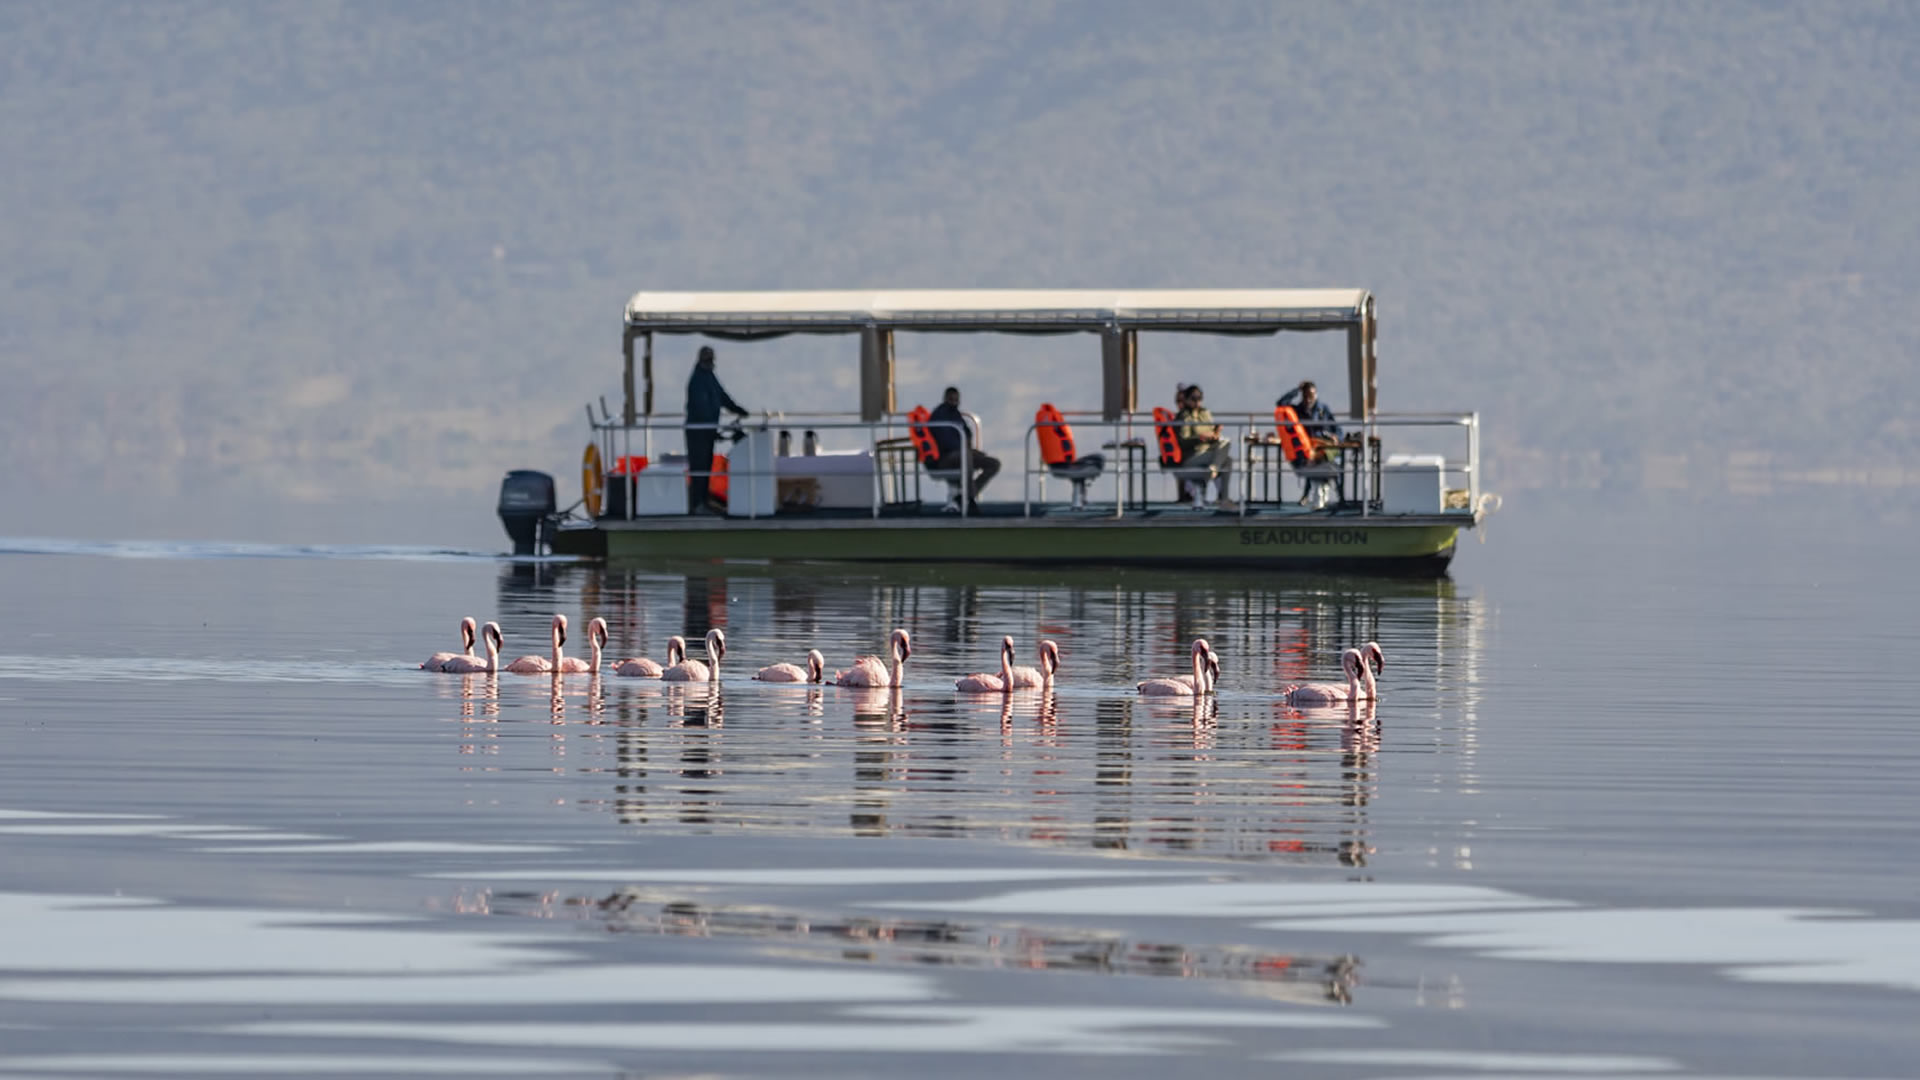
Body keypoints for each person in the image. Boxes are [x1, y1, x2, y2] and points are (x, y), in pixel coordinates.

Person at [685, 345, 750, 512]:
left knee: (706, 466)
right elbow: (701, 408)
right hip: (698, 433)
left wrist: (738, 409)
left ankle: (704, 500)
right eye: (707, 359)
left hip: (707, 431)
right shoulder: (697, 380)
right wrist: (712, 430)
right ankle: (697, 504)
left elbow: (722, 396)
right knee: (699, 467)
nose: (709, 362)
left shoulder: (709, 376)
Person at [929, 386, 1000, 509]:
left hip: (961, 454)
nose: (954, 402)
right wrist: (966, 450)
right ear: (945, 398)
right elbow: (945, 441)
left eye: (956, 400)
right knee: (966, 455)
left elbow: (967, 433)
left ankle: (964, 497)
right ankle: (970, 500)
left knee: (993, 463)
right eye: (951, 399)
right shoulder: (939, 416)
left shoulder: (956, 415)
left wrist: (971, 449)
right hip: (945, 458)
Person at [1276, 379, 1344, 506]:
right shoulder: (1297, 410)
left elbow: (1337, 428)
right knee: (1311, 459)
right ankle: (1308, 495)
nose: (1308, 399)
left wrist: (1337, 437)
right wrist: (1296, 390)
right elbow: (1281, 403)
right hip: (1307, 449)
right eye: (1306, 396)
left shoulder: (1323, 409)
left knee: (1333, 460)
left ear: (1316, 395)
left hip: (1323, 446)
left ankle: (1340, 496)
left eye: (1311, 396)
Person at [1174, 384, 1236, 509]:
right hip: (1192, 456)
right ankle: (1213, 470)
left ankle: (1223, 498)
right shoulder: (1184, 416)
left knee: (1226, 450)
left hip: (1209, 453)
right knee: (1224, 460)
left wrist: (1215, 434)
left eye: (1199, 398)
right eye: (1193, 398)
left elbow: (1211, 434)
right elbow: (1183, 441)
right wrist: (1201, 438)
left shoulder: (1205, 414)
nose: (1197, 401)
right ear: (1186, 400)